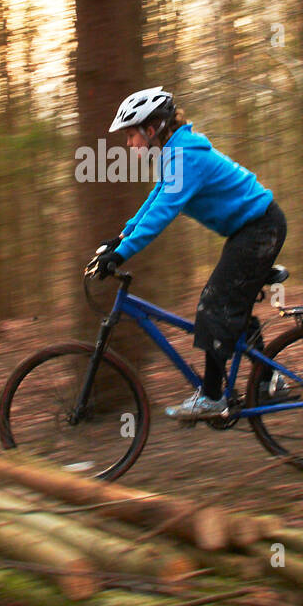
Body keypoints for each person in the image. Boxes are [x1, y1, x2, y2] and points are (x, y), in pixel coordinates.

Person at [91, 87, 286, 421]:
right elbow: (156, 198)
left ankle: (212, 398)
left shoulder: (184, 157)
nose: (129, 144)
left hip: (260, 229)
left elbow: (162, 214)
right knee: (231, 308)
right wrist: (120, 238)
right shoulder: (175, 153)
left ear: (151, 130)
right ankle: (269, 377)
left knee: (213, 305)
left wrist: (122, 255)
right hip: (251, 229)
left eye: (131, 135)